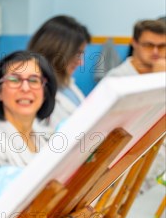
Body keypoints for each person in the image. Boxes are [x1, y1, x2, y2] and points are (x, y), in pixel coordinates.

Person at [105, 18, 166, 194]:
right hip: (125, 170)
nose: (155, 52)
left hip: (157, 167)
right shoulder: (117, 80)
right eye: (148, 45)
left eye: (162, 46)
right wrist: (158, 81)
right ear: (135, 43)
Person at [0, 51, 57, 172]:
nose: (25, 88)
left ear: (45, 92)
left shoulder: (44, 137)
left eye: (34, 80)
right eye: (14, 80)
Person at [28, 15, 91, 134]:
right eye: (77, 54)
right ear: (58, 51)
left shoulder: (67, 85)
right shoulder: (32, 91)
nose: (81, 62)